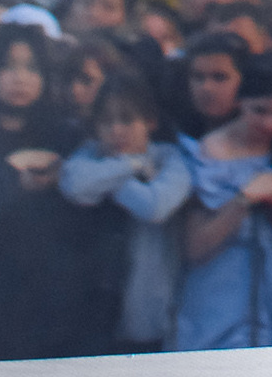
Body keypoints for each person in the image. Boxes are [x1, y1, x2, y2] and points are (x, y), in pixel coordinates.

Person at [0, 21, 121, 362]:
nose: (19, 78)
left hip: (65, 302)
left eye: (31, 68)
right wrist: (13, 176)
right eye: (8, 66)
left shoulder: (66, 134)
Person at [177, 57, 272, 349]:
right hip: (215, 289)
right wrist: (244, 201)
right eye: (260, 110)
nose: (270, 123)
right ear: (241, 102)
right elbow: (194, 246)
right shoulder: (206, 153)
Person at [61, 72, 196, 349]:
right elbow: (74, 185)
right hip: (92, 313)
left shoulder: (170, 158)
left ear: (150, 121)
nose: (116, 131)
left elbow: (155, 206)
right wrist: (131, 166)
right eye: (106, 122)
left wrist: (107, 179)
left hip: (150, 317)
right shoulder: (90, 153)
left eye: (126, 120)